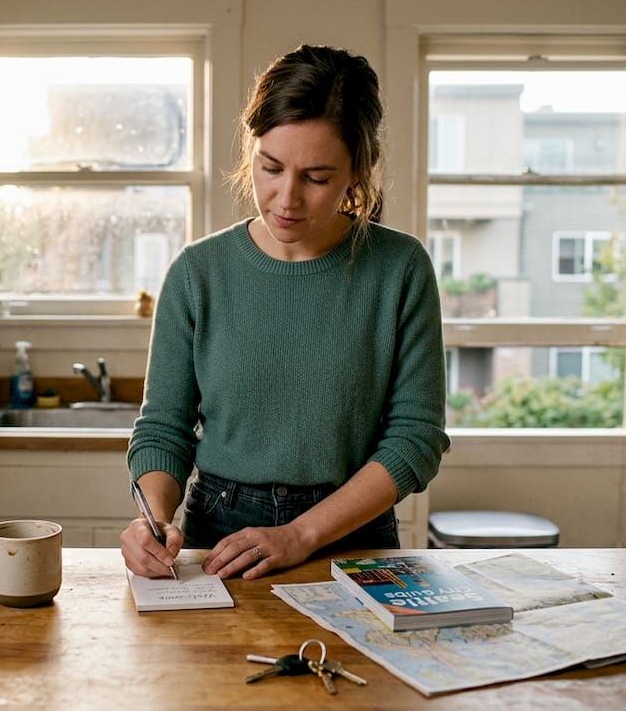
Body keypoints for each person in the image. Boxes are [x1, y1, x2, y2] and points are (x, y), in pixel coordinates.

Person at [122, 44, 450, 581]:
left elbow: (416, 437)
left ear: (357, 172)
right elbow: (163, 428)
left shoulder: (401, 268)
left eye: (317, 178)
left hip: (353, 531)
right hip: (221, 536)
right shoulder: (196, 272)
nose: (286, 199)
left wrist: (301, 534)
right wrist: (152, 518)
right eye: (270, 167)